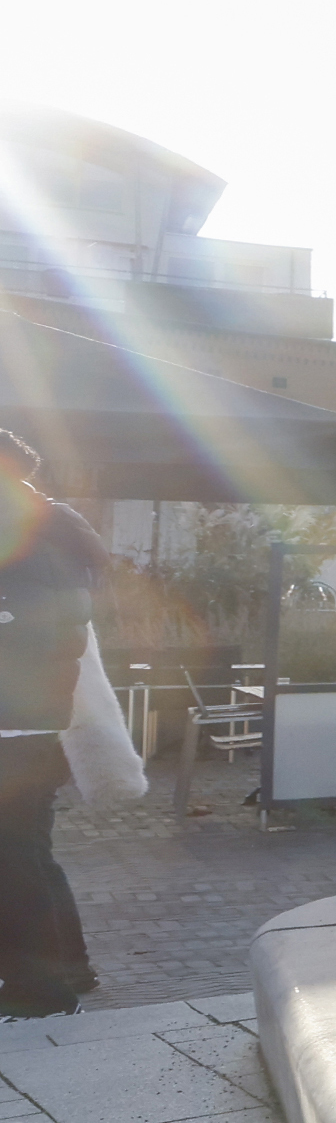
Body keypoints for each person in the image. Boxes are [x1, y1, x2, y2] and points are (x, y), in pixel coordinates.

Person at [0, 432, 105, 1019]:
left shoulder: (23, 539)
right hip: (31, 721)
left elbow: (23, 629)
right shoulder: (44, 530)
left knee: (11, 860)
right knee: (28, 852)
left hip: (12, 723)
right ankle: (70, 969)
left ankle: (35, 990)